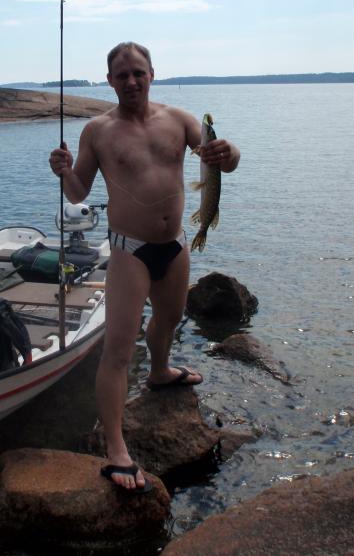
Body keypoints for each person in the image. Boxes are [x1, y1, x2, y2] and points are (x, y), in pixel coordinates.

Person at [49, 42, 240, 492]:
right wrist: (63, 172)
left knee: (170, 319)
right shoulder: (98, 131)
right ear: (110, 81)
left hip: (174, 246)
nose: (131, 81)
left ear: (152, 74)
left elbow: (225, 163)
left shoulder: (180, 120)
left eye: (138, 72)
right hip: (129, 250)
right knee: (117, 350)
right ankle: (116, 449)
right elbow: (78, 193)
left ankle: (159, 371)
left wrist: (228, 152)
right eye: (122, 75)